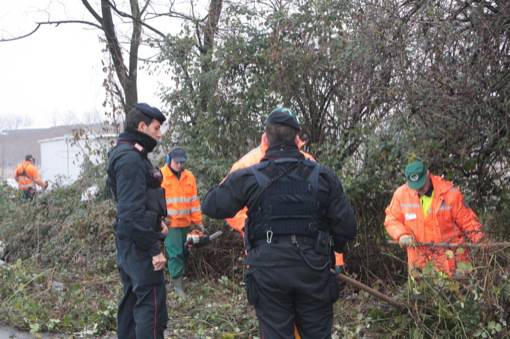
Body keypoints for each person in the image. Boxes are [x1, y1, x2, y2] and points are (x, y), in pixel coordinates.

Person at [202, 107, 357, 338]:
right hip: (313, 269)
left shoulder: (250, 175)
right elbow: (347, 227)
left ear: (265, 138)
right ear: (297, 139)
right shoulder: (322, 176)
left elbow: (211, 205)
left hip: (269, 271)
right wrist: (335, 252)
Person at [225, 131, 346, 269]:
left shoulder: (309, 163)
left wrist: (337, 259)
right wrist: (249, 226)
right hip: (265, 259)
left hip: (309, 261)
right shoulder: (246, 165)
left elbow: (327, 211)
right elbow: (229, 208)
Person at [106, 103, 168, 339]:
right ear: (142, 127)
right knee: (150, 307)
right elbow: (131, 214)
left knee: (133, 299)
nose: (159, 134)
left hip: (133, 240)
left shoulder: (128, 154)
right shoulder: (130, 160)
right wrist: (153, 249)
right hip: (139, 245)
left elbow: (138, 202)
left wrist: (157, 222)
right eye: (155, 128)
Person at [384, 160, 485, 277]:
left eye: (422, 184)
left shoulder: (449, 193)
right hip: (420, 267)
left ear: (428, 174)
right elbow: (391, 219)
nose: (419, 189)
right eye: (415, 186)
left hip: (453, 265)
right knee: (421, 295)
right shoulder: (401, 194)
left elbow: (469, 222)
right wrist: (401, 235)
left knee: (457, 293)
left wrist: (483, 243)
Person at [160, 147, 203, 298]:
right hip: (170, 224)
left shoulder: (189, 176)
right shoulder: (161, 176)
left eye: (182, 162)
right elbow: (157, 201)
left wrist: (198, 221)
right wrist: (160, 220)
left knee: (185, 252)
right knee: (175, 253)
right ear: (169, 160)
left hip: (186, 223)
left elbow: (194, 201)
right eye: (177, 162)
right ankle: (177, 286)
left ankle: (179, 278)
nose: (179, 165)